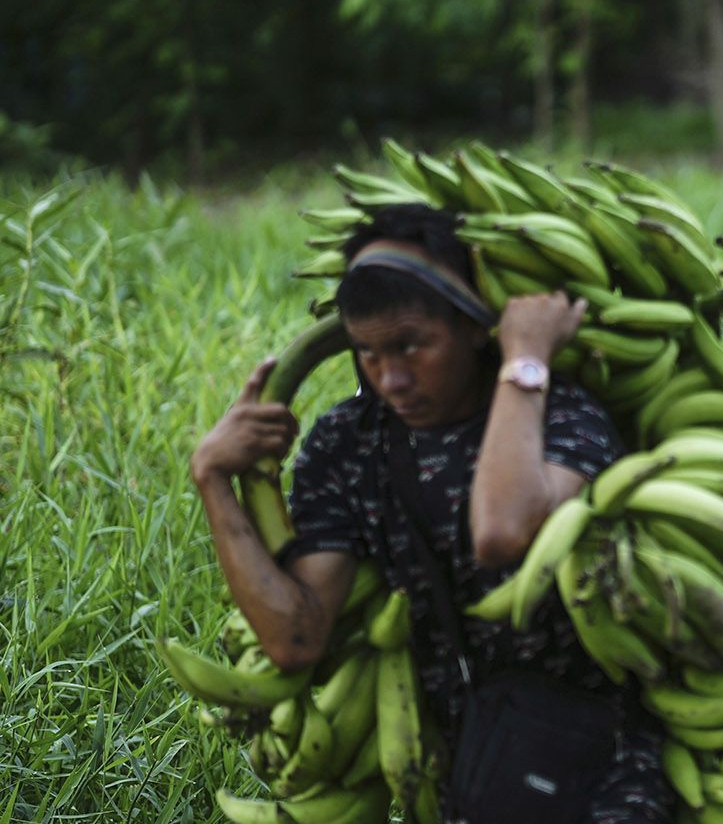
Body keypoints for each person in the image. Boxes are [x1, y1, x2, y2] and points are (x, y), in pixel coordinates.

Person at [190, 205, 670, 823]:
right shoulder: (348, 444)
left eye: (412, 346)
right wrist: (213, 480)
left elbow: (502, 531)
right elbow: (295, 636)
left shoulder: (562, 414)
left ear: (475, 326)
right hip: (474, 770)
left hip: (608, 767)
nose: (390, 378)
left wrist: (526, 358)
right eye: (366, 353)